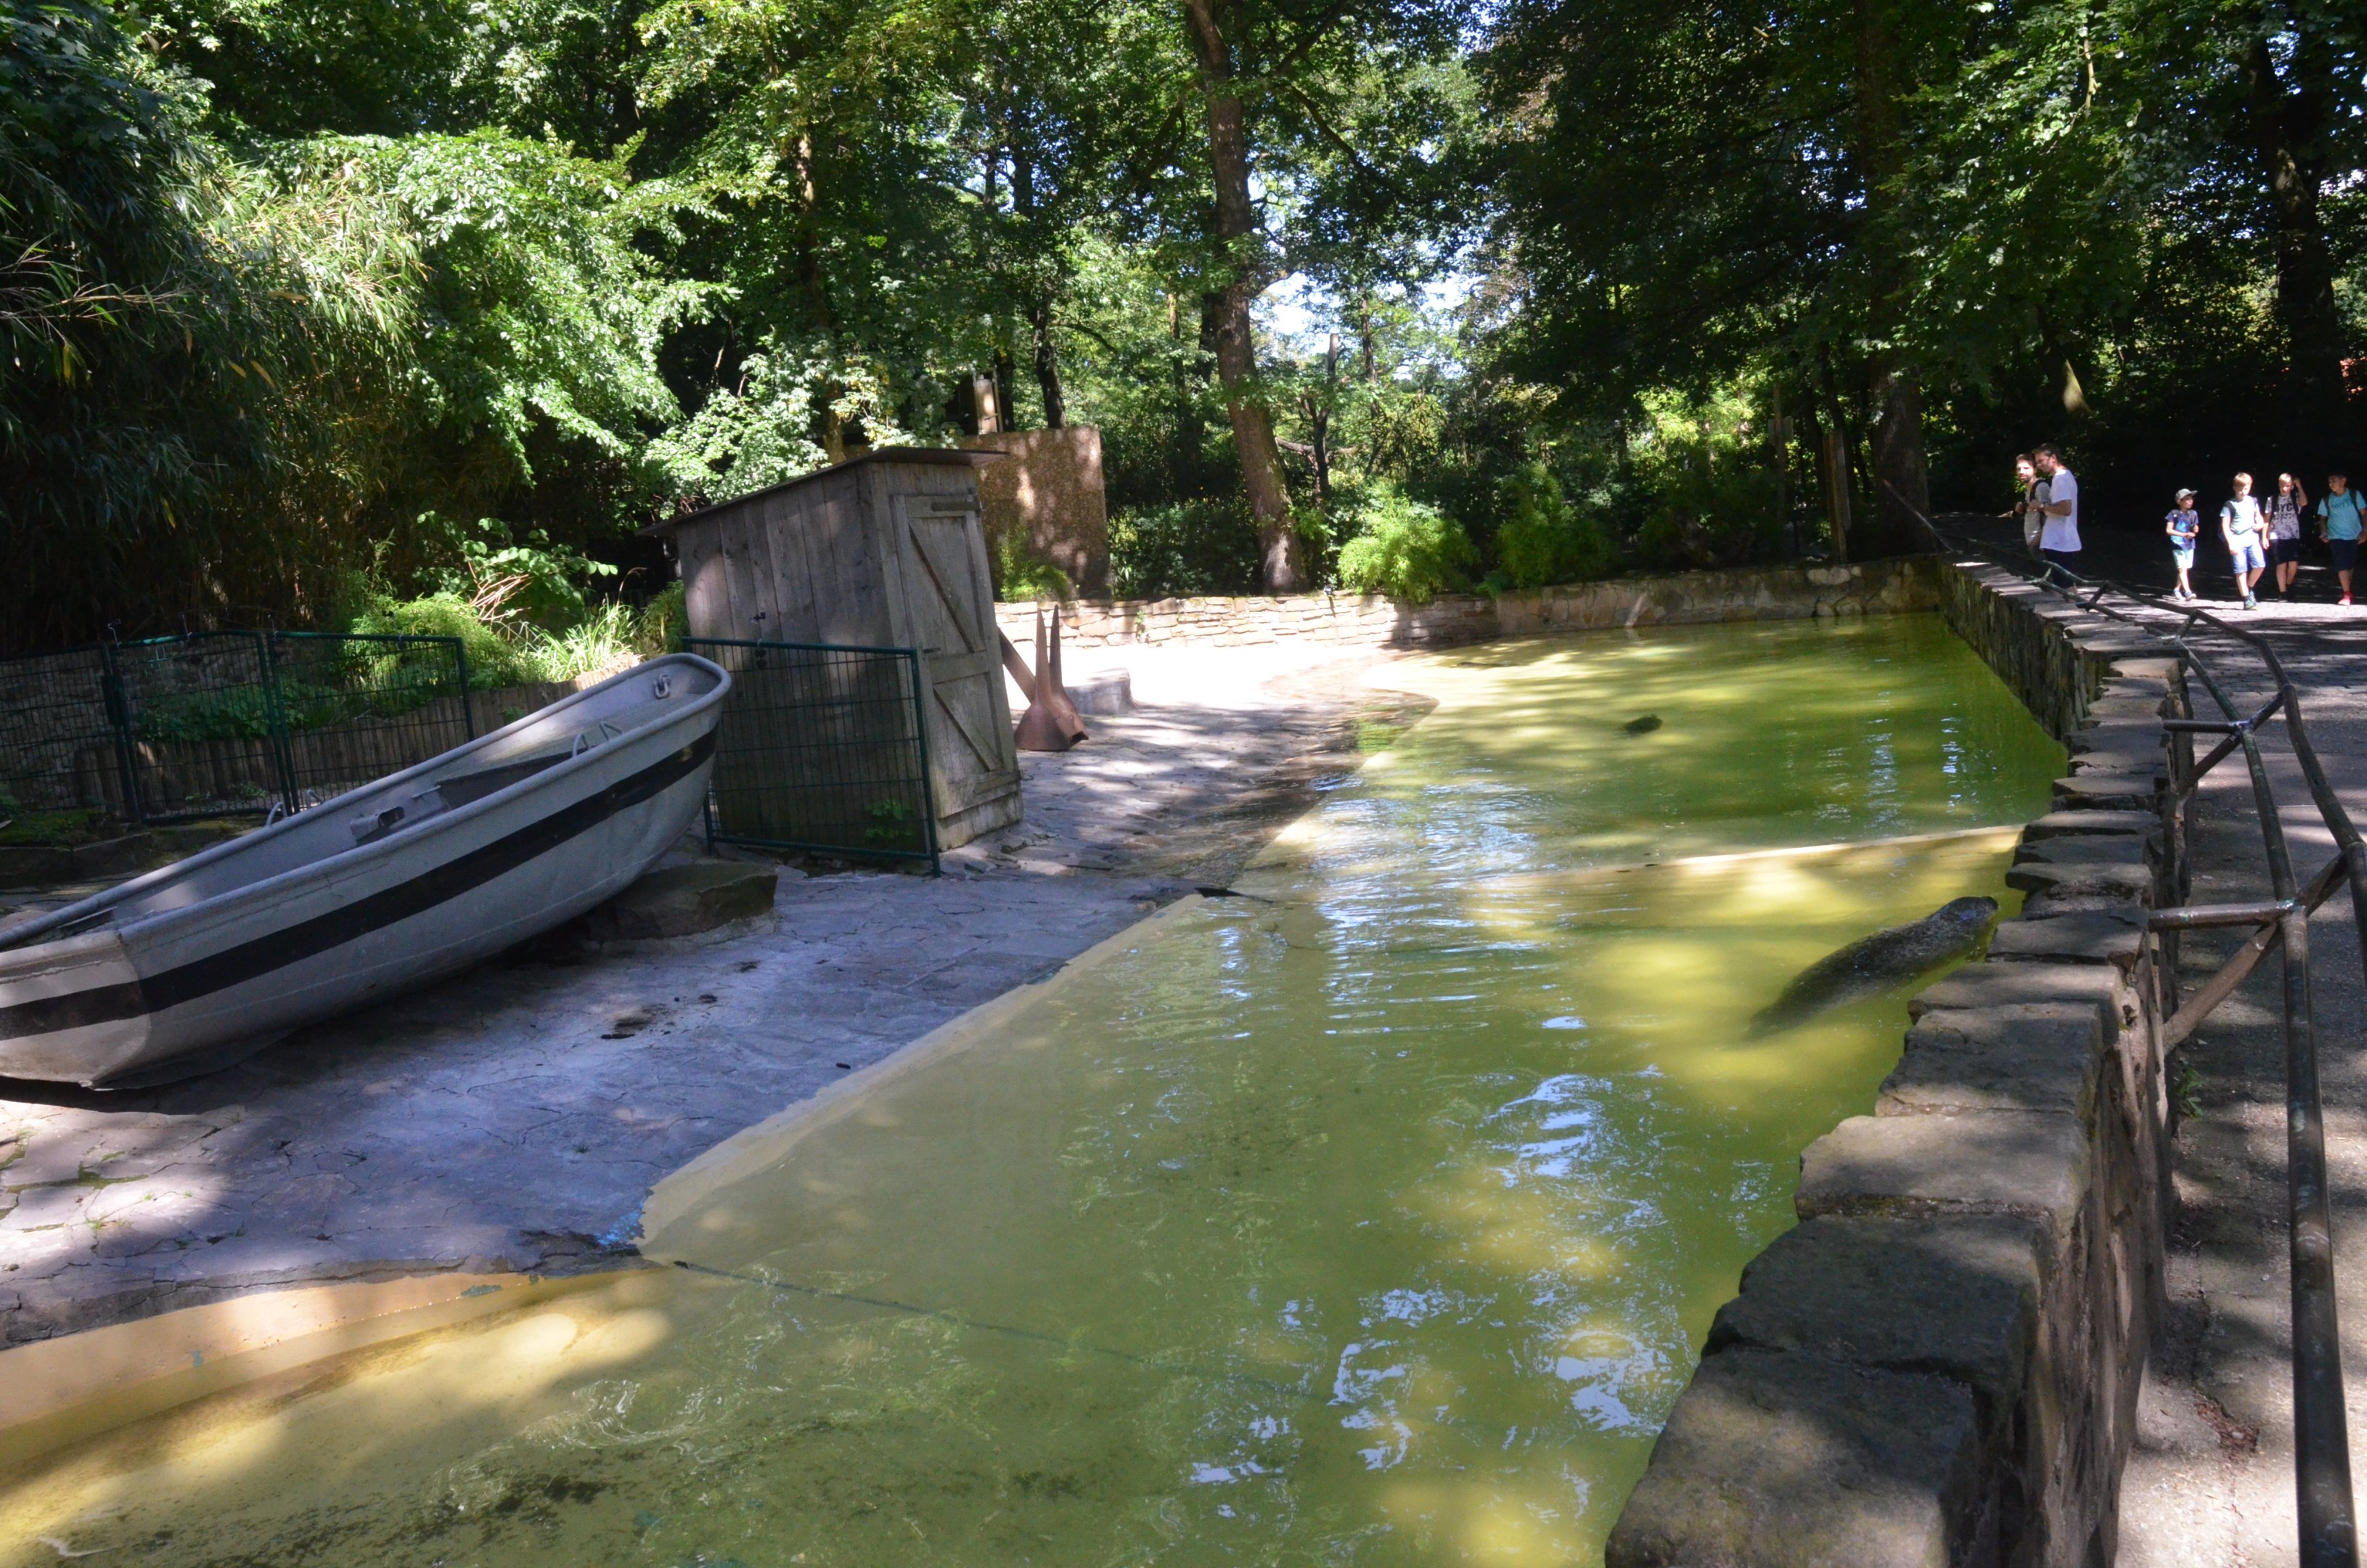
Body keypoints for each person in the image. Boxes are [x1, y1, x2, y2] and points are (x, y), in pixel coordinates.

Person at [2221, 472, 2267, 608]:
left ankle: (2249, 587)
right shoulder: (2229, 505)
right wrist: (2231, 543)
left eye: (2246, 488)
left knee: (2260, 565)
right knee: (2241, 569)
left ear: (2250, 487)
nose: (2243, 491)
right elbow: (2225, 525)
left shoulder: (2253, 501)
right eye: (2240, 488)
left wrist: (2260, 523)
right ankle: (2247, 598)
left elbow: (2258, 516)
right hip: (2237, 539)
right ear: (2234, 488)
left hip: (2252, 538)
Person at [2033, 444, 2080, 571]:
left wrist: (2041, 506)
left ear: (2053, 458)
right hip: (2061, 541)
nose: (2038, 465)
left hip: (2059, 542)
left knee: (2062, 581)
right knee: (2064, 579)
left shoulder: (2061, 478)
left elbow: (2066, 509)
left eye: (2041, 461)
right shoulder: (2065, 475)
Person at [2319, 471, 2363, 606]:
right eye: (2329, 482)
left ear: (2343, 480)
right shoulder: (2327, 499)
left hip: (2354, 535)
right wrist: (2324, 532)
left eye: (2334, 480)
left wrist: (2365, 531)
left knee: (2349, 565)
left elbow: (2364, 513)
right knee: (2341, 564)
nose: (2331, 484)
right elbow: (2322, 519)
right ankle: (2346, 593)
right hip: (2335, 536)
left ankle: (2347, 590)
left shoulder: (2355, 495)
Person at [2268, 472, 2310, 597]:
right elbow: (2267, 517)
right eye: (2282, 485)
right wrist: (2264, 535)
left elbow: (2304, 503)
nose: (2284, 488)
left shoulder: (2295, 498)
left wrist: (2299, 486)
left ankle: (2289, 583)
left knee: (2293, 563)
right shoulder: (2272, 499)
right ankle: (2283, 592)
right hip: (2276, 534)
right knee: (2281, 564)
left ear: (2291, 486)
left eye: (2287, 486)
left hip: (2292, 535)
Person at [2165, 488, 2201, 601]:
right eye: (2187, 499)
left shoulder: (2193, 514)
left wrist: (2195, 529)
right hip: (2177, 544)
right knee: (2182, 569)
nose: (2190, 501)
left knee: (2185, 568)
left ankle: (2176, 590)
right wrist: (2184, 534)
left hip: (2189, 545)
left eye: (2191, 499)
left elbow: (2195, 528)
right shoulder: (2174, 514)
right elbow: (2169, 530)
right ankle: (2188, 592)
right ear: (2179, 502)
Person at [2015, 452, 2048, 556]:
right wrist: (2023, 508)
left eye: (2026, 468)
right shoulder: (2028, 489)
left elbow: (2051, 518)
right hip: (2032, 542)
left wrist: (2035, 544)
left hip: (2041, 545)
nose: (2021, 472)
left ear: (2035, 470)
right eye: (2018, 469)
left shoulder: (2041, 487)